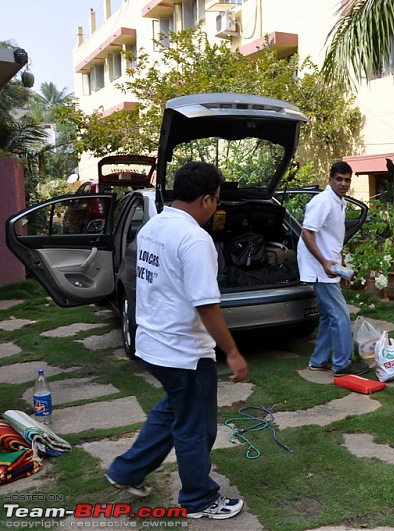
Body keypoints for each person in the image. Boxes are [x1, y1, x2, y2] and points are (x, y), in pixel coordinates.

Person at [104, 161, 248, 520]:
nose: (216, 207)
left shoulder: (155, 226)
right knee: (196, 426)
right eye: (217, 200)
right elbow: (207, 306)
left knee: (174, 409)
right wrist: (231, 352)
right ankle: (199, 499)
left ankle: (126, 470)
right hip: (183, 353)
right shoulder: (195, 239)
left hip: (151, 344)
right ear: (206, 199)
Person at [298, 161, 370, 377]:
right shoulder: (322, 202)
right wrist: (325, 263)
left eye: (347, 179)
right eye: (339, 179)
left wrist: (340, 265)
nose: (343, 183)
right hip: (319, 266)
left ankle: (319, 360)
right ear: (330, 179)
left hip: (328, 265)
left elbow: (330, 239)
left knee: (328, 316)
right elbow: (307, 233)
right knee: (340, 315)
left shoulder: (339, 201)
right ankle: (341, 364)